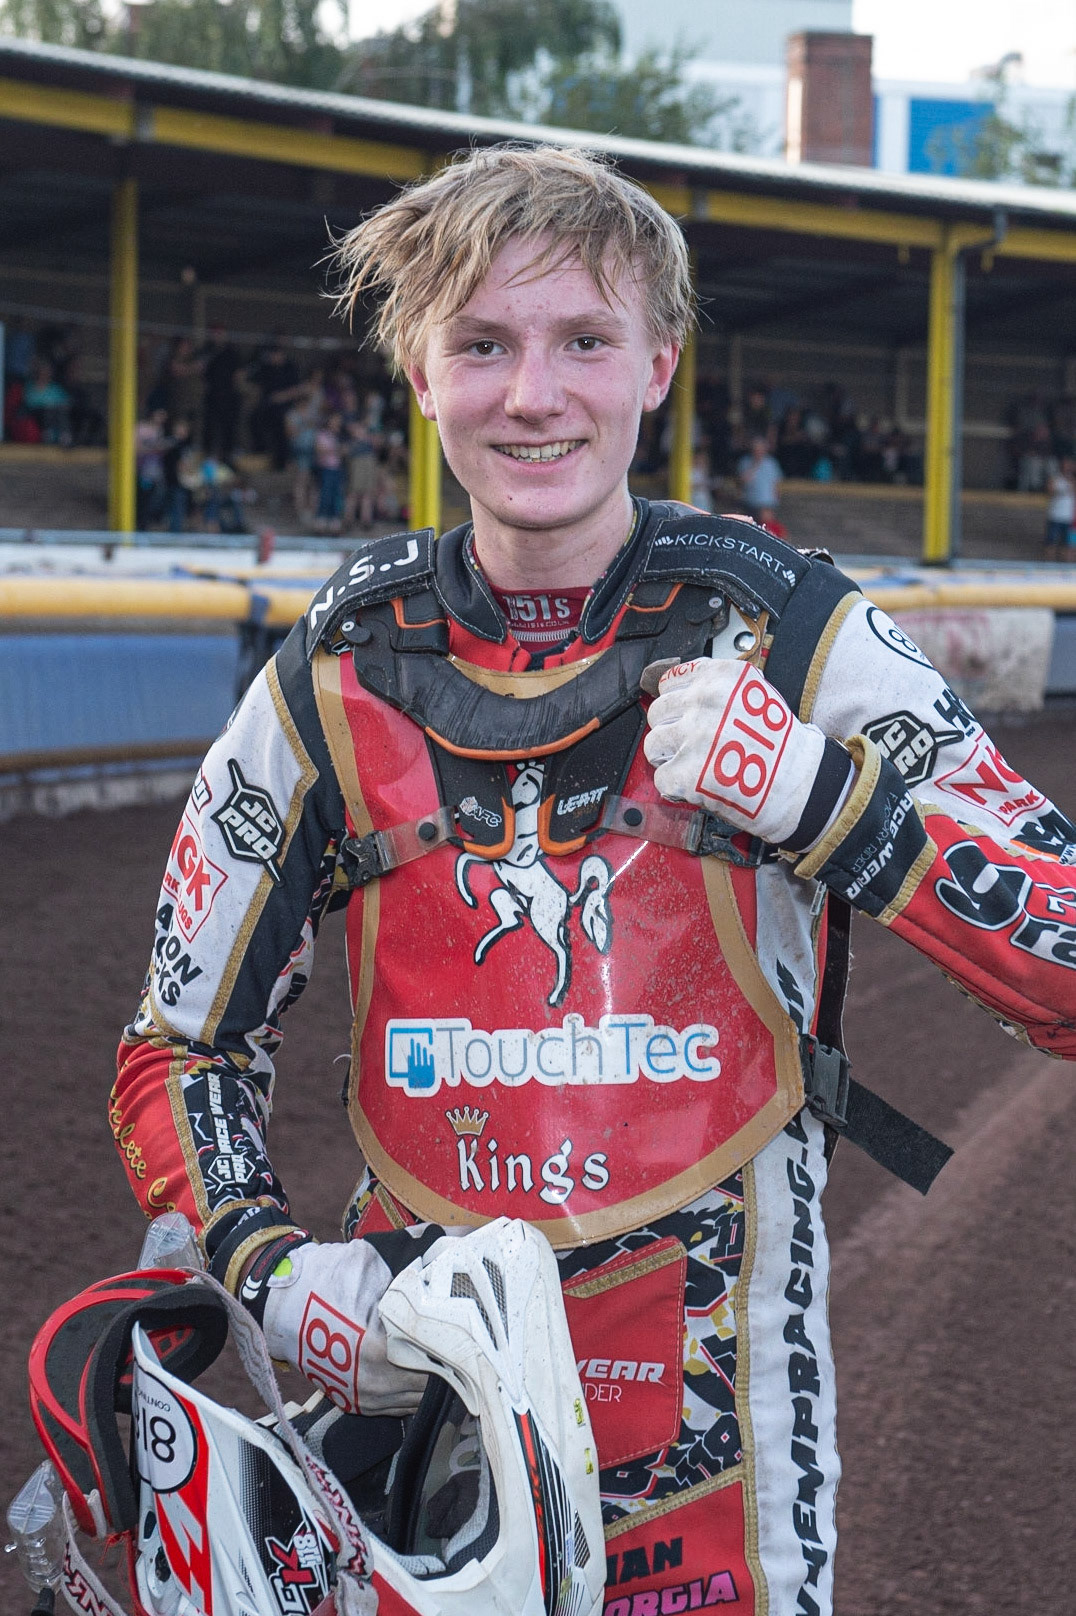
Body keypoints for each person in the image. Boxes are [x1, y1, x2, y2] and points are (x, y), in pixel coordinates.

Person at [111, 145, 1076, 1616]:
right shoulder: (329, 671)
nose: (533, 394)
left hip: (717, 1458)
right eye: (482, 345)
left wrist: (828, 803)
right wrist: (266, 1263)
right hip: (421, 1425)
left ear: (659, 365)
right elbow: (178, 1046)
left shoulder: (795, 632)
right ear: (420, 377)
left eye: (582, 341)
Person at [737, 432, 783, 526]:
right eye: (756, 448)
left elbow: (776, 483)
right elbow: (743, 481)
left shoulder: (771, 463)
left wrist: (777, 499)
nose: (758, 451)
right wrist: (755, 464)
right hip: (751, 503)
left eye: (761, 448)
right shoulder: (745, 462)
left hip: (768, 504)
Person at [1044, 455, 1075, 560]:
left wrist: (1070, 480)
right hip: (1055, 516)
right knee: (1051, 542)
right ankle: (1048, 563)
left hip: (1069, 518)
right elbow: (1050, 491)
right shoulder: (1054, 479)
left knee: (1068, 544)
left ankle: (1065, 566)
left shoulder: (1073, 480)